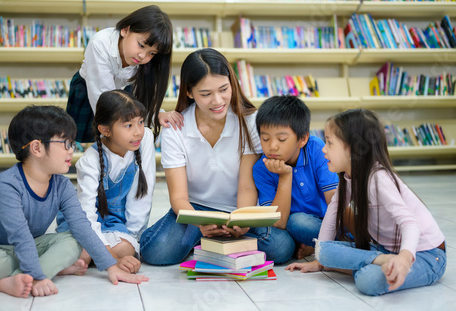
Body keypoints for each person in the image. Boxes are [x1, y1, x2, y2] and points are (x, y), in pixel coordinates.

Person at [0, 106, 148, 299]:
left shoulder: (62, 185)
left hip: (28, 245)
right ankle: (19, 277)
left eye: (72, 144)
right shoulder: (6, 185)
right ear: (37, 148)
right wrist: (39, 275)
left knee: (73, 242)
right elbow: (20, 235)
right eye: (65, 143)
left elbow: (82, 227)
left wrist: (111, 266)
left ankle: (22, 278)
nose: (71, 151)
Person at [287, 109, 446, 296]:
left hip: (425, 255)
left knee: (367, 280)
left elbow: (410, 223)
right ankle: (379, 261)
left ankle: (368, 265)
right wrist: (320, 260)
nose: (324, 148)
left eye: (330, 143)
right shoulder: (348, 178)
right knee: (323, 250)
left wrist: (403, 259)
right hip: (386, 251)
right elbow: (332, 214)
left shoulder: (378, 178)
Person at [139, 48, 264, 265]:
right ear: (189, 92)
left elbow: (246, 186)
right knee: (156, 252)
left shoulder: (249, 121)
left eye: (224, 89)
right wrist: (198, 223)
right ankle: (207, 239)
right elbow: (178, 198)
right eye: (206, 94)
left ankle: (209, 242)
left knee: (280, 248)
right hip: (196, 209)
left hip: (239, 207)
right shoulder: (175, 129)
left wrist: (242, 220)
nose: (217, 101)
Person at [57, 90, 155, 274]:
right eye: (128, 125)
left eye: (140, 122)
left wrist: (132, 238)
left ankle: (87, 256)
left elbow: (142, 197)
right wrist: (113, 258)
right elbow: (86, 215)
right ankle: (89, 255)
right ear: (105, 129)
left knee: (128, 247)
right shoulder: (90, 161)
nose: (137, 132)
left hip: (114, 221)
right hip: (83, 222)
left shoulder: (143, 140)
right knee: (89, 249)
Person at [66, 5, 183, 143]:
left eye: (152, 53)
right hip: (89, 91)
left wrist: (157, 115)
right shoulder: (100, 43)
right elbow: (102, 97)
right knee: (75, 137)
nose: (142, 56)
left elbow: (143, 101)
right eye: (141, 45)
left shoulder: (146, 63)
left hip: (123, 94)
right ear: (125, 30)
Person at [247, 95, 338, 263]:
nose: (272, 146)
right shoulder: (261, 168)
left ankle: (330, 243)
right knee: (289, 230)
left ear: (302, 139)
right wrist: (285, 176)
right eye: (265, 138)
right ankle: (320, 245)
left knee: (300, 222)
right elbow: (279, 222)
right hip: (286, 226)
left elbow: (334, 203)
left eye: (281, 139)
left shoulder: (317, 149)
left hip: (324, 223)